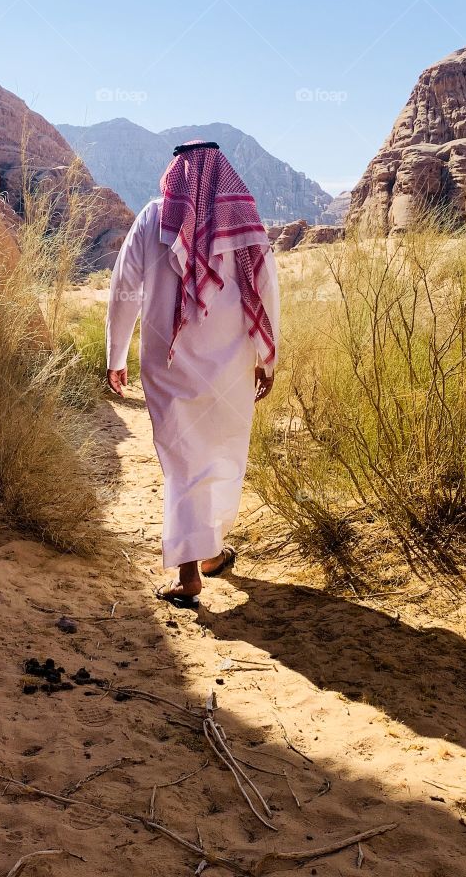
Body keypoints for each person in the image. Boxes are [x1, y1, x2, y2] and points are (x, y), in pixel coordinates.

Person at [105, 140, 280, 608]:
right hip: (230, 369)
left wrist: (115, 354)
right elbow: (266, 290)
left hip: (167, 364)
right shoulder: (241, 219)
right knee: (216, 454)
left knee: (183, 460)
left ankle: (193, 569)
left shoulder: (154, 217)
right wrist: (267, 356)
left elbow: (124, 288)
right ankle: (207, 555)